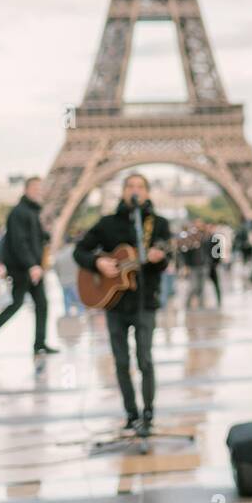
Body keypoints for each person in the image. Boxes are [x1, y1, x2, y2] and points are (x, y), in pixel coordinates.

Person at [73, 173, 171, 434]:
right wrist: (98, 262)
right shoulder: (107, 224)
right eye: (130, 186)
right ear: (123, 191)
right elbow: (79, 250)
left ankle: (148, 413)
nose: (135, 190)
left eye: (140, 186)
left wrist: (158, 257)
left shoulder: (158, 224)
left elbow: (164, 260)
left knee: (145, 359)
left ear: (148, 192)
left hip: (145, 301)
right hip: (114, 303)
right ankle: (131, 413)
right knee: (120, 362)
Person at [0, 178, 56, 359]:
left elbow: (34, 238)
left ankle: (40, 343)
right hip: (24, 267)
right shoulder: (20, 213)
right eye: (36, 188)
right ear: (26, 189)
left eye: (40, 188)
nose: (39, 191)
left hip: (32, 266)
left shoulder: (31, 212)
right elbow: (20, 243)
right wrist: (32, 265)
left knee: (41, 304)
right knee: (17, 304)